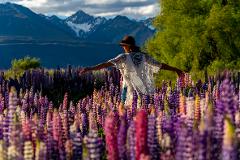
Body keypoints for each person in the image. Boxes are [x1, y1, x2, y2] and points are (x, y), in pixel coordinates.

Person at [80, 35, 184, 107]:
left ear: (128, 46)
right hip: (144, 89)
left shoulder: (124, 57)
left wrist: (90, 68)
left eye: (124, 46)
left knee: (127, 113)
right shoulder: (144, 56)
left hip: (128, 89)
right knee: (145, 110)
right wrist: (175, 69)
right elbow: (160, 65)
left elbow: (106, 64)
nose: (123, 48)